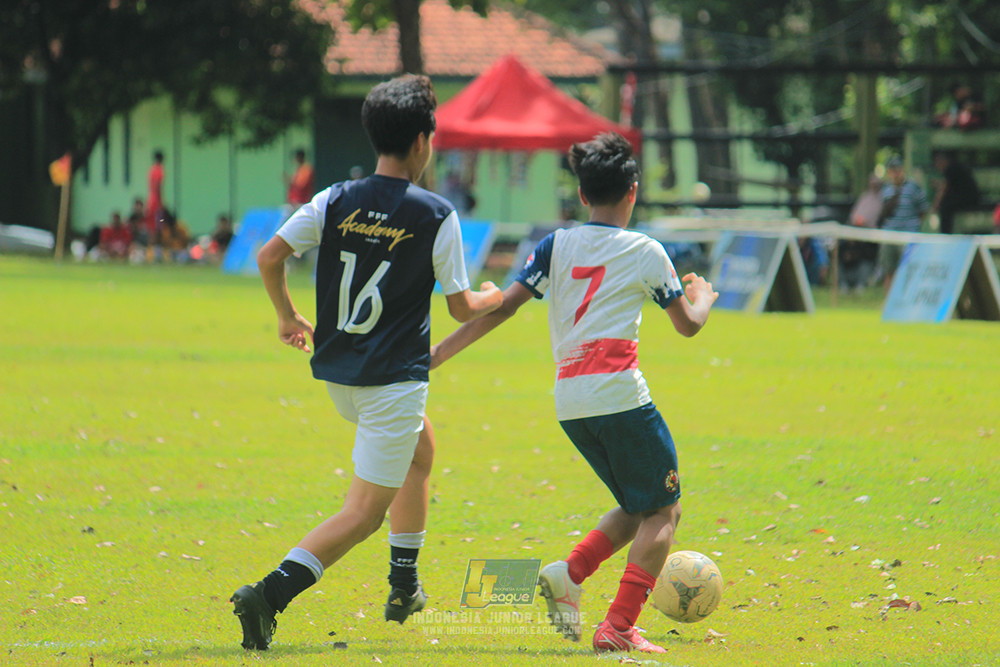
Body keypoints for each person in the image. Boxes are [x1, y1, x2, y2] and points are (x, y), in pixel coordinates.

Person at [230, 74, 502, 651]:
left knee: (420, 450)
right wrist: (495, 295)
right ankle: (267, 595)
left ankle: (404, 583)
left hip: (339, 375)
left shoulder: (335, 198)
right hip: (390, 383)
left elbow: (269, 255)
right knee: (361, 515)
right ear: (424, 141)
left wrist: (286, 316)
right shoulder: (436, 214)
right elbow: (461, 308)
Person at [431, 132, 718, 654]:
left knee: (637, 504)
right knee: (664, 511)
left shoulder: (555, 245)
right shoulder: (646, 251)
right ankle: (619, 626)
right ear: (633, 190)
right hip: (621, 397)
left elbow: (504, 307)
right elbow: (688, 325)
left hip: (571, 401)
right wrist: (702, 295)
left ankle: (570, 572)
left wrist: (438, 353)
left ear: (583, 195)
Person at [877, 156, 930, 289]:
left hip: (909, 235)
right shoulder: (885, 190)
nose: (896, 173)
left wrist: (913, 225)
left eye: (898, 170)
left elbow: (923, 209)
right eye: (892, 170)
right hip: (890, 234)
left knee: (908, 269)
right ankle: (888, 301)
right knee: (889, 269)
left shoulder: (914, 188)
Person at [839, 174, 883, 291]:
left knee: (865, 256)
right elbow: (854, 215)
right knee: (840, 250)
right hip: (855, 231)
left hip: (869, 236)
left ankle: (862, 283)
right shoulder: (864, 197)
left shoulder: (881, 199)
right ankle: (843, 284)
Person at [931, 151, 980, 235]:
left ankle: (945, 234)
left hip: (969, 198)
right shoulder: (956, 167)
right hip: (968, 197)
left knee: (945, 207)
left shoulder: (951, 168)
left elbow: (944, 189)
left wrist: (935, 207)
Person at [146, 151, 165, 237]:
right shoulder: (159, 169)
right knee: (159, 224)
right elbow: (157, 186)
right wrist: (161, 201)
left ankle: (152, 247)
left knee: (152, 227)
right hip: (156, 203)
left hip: (150, 201)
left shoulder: (152, 169)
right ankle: (157, 247)